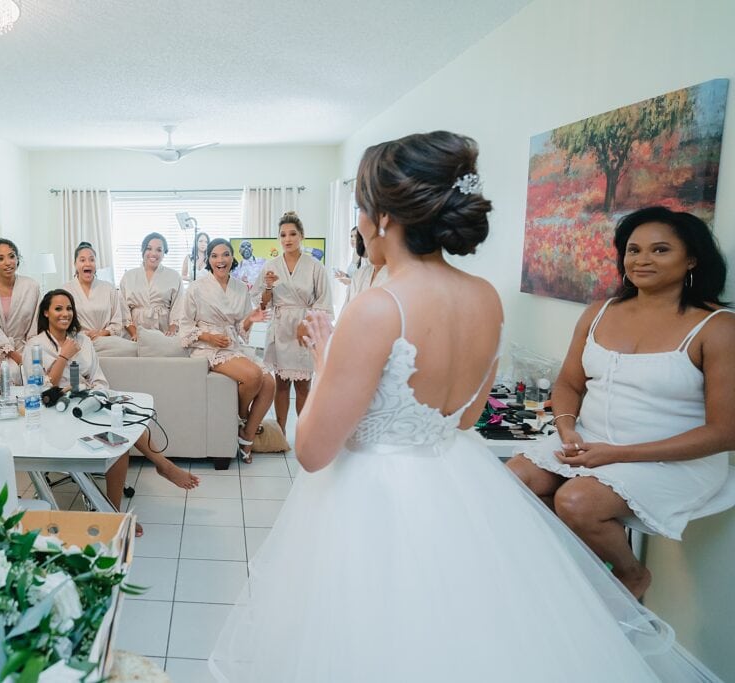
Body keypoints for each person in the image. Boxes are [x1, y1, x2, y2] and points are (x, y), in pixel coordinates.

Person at [208, 133, 714, 682]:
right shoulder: (485, 296)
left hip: (373, 498)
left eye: (359, 206)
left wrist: (324, 351)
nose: (357, 220)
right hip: (459, 485)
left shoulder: (377, 307)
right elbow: (466, 418)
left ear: (381, 217)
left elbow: (310, 451)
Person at [507, 206, 735, 599]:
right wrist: (567, 429)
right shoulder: (600, 312)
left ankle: (631, 575)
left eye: (660, 250)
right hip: (593, 442)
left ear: (692, 258)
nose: (642, 260)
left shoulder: (718, 327)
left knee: (576, 501)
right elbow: (568, 384)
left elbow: (725, 433)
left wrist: (618, 454)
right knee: (512, 480)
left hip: (672, 459)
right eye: (633, 250)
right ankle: (588, 572)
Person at [27, 289, 199, 534]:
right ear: (46, 312)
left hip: (88, 403)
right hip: (56, 413)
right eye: (58, 308)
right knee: (116, 429)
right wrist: (64, 355)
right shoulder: (35, 346)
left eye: (68, 308)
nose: (65, 313)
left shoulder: (83, 340)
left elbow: (97, 376)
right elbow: (40, 391)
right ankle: (162, 464)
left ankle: (114, 513)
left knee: (120, 428)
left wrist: (98, 395)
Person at [179, 239, 272, 463]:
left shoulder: (240, 287)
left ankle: (246, 436)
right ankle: (242, 417)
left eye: (225, 255)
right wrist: (209, 337)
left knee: (270, 383)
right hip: (207, 347)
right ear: (209, 260)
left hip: (232, 344)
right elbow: (185, 326)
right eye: (215, 256)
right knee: (253, 375)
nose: (220, 260)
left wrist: (251, 319)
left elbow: (240, 328)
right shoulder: (197, 287)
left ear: (232, 258)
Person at [255, 211, 332, 434]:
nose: (287, 239)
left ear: (301, 236)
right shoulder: (271, 265)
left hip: (304, 329)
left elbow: (324, 301)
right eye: (283, 235)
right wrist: (268, 287)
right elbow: (262, 304)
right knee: (281, 385)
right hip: (280, 328)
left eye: (292, 234)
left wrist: (306, 322)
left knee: (303, 386)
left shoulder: (315, 266)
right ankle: (280, 434)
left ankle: (304, 433)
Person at [0, 238, 41, 381]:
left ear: (18, 258)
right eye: (0, 258)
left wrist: (27, 356)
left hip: (25, 349)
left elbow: (36, 326)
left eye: (11, 256)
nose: (8, 262)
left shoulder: (31, 287)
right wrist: (16, 357)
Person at [120, 232, 183, 339]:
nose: (153, 253)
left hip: (164, 332)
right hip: (134, 333)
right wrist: (134, 333)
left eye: (159, 250)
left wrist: (172, 329)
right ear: (143, 250)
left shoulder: (174, 276)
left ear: (164, 253)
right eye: (149, 248)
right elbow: (122, 308)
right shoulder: (128, 276)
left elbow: (179, 307)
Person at [62, 242, 125, 339]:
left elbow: (117, 323)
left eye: (92, 260)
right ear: (75, 264)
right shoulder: (65, 290)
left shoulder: (109, 289)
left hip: (106, 341)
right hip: (77, 343)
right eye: (82, 260)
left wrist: (101, 333)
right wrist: (83, 336)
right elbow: (62, 322)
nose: (88, 263)